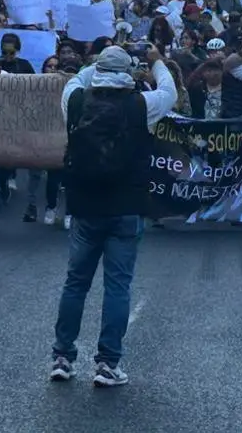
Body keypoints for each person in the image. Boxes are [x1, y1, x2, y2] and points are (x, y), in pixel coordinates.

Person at [50, 45, 177, 388]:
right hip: (126, 204)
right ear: (129, 75)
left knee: (76, 282)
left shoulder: (74, 99)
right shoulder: (141, 105)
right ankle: (108, 363)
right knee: (117, 286)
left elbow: (79, 78)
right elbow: (170, 91)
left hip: (84, 204)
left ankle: (62, 356)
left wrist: (98, 64)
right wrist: (155, 61)